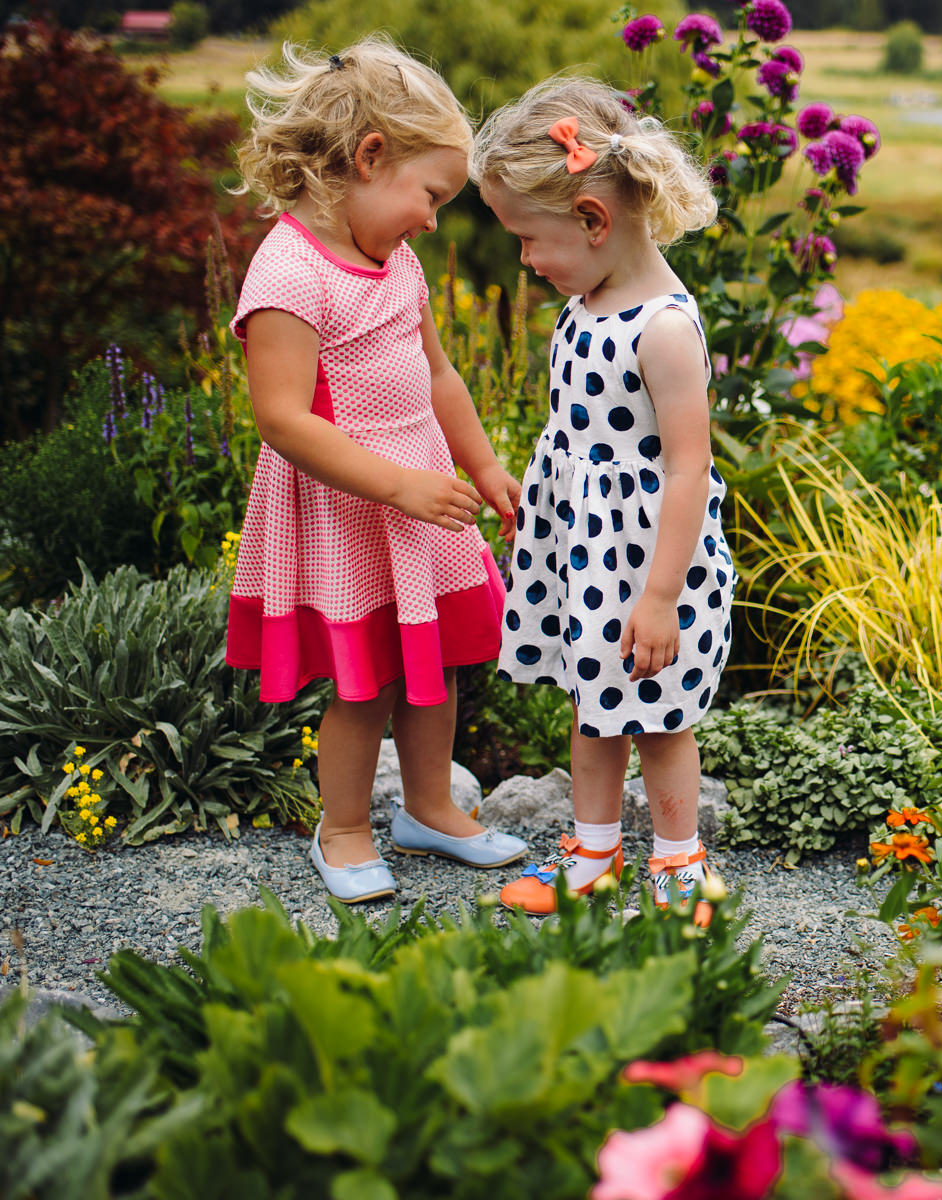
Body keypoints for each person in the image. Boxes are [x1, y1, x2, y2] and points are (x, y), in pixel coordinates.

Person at [227, 38, 528, 903]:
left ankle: (429, 807)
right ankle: (346, 826)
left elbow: (437, 374)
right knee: (366, 683)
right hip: (349, 509)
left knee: (433, 668)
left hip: (421, 495)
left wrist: (482, 460)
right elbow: (282, 419)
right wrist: (398, 485)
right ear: (368, 159)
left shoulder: (396, 262)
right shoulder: (288, 270)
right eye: (430, 195)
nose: (434, 220)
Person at [471, 77, 730, 920]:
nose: (523, 258)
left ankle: (678, 866)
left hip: (652, 559)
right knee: (593, 707)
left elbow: (689, 469)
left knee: (657, 721)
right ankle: (593, 856)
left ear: (591, 219)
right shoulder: (583, 305)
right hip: (589, 551)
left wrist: (659, 601)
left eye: (527, 238)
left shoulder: (661, 327)